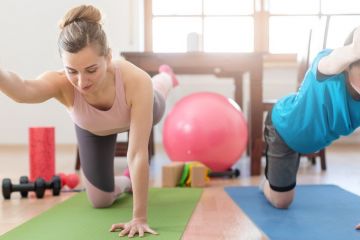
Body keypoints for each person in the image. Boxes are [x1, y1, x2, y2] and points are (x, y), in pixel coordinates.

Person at [0, 4, 178, 238]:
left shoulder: (135, 79)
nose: (81, 82)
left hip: (142, 108)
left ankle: (166, 77)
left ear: (108, 57)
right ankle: (126, 183)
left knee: (157, 91)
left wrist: (139, 218)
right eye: (72, 70)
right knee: (100, 200)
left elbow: (136, 154)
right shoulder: (62, 83)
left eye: (91, 69)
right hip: (94, 129)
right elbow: (23, 90)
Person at [261, 25, 360, 228]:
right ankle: (266, 183)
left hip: (313, 140)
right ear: (348, 65)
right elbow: (330, 63)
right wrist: (352, 50)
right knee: (282, 202)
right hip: (283, 128)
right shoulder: (328, 67)